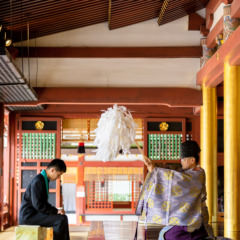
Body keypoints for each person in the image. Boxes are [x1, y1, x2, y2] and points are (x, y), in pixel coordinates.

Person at [136, 140, 213, 240]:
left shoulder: (198, 174)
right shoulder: (187, 173)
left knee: (168, 236)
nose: (181, 161)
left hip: (194, 219)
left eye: (184, 159)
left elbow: (177, 180)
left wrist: (154, 169)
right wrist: (153, 167)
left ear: (192, 160)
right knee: (164, 234)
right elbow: (173, 176)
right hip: (185, 217)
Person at [19, 159, 70, 240]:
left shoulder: (43, 179)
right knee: (60, 220)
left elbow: (42, 204)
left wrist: (56, 210)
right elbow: (38, 205)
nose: (58, 178)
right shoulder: (38, 181)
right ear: (52, 170)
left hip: (35, 213)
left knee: (63, 218)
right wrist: (55, 211)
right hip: (29, 216)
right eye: (58, 175)